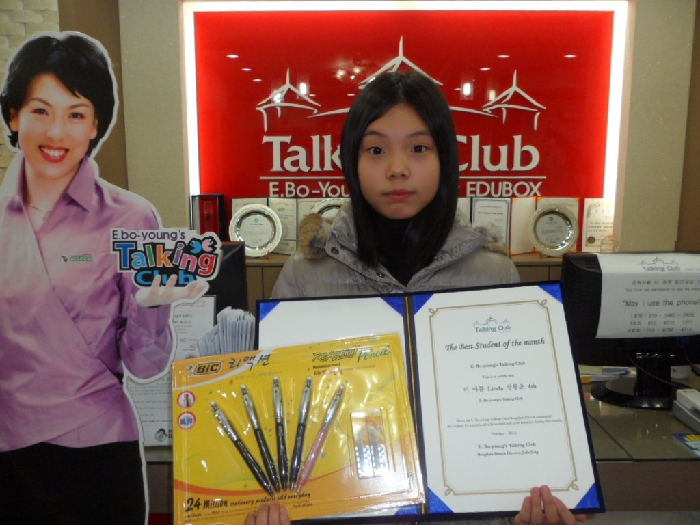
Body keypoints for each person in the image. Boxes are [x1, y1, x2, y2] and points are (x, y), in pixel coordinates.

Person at [270, 71, 587, 525]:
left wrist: (524, 508)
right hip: (344, 505)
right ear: (351, 161)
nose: (397, 168)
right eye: (375, 150)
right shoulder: (306, 275)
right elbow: (283, 417)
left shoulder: (493, 273)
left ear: (445, 159)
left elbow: (519, 413)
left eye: (419, 148)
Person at [0, 32, 204, 525]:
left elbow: (146, 366)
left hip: (99, 449)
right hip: (9, 452)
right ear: (13, 115)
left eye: (76, 114)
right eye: (40, 110)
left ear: (96, 125)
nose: (57, 132)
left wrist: (153, 308)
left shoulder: (132, 217)